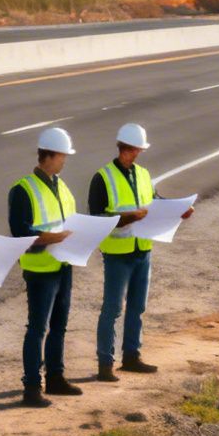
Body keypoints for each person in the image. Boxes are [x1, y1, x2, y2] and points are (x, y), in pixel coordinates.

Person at [88, 122, 192, 381]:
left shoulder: (143, 175)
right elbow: (97, 217)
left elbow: (155, 201)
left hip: (142, 249)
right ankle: (105, 363)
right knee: (112, 309)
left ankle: (132, 356)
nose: (137, 154)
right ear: (124, 148)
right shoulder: (102, 177)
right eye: (135, 149)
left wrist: (179, 209)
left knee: (138, 306)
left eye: (139, 150)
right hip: (117, 253)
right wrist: (126, 217)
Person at [9, 126, 82, 406]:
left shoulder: (61, 186)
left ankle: (55, 378)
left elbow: (69, 221)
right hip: (40, 271)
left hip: (63, 265)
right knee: (37, 328)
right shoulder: (23, 189)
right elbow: (20, 233)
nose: (65, 160)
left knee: (59, 326)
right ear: (49, 155)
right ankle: (31, 388)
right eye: (63, 155)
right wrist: (51, 238)